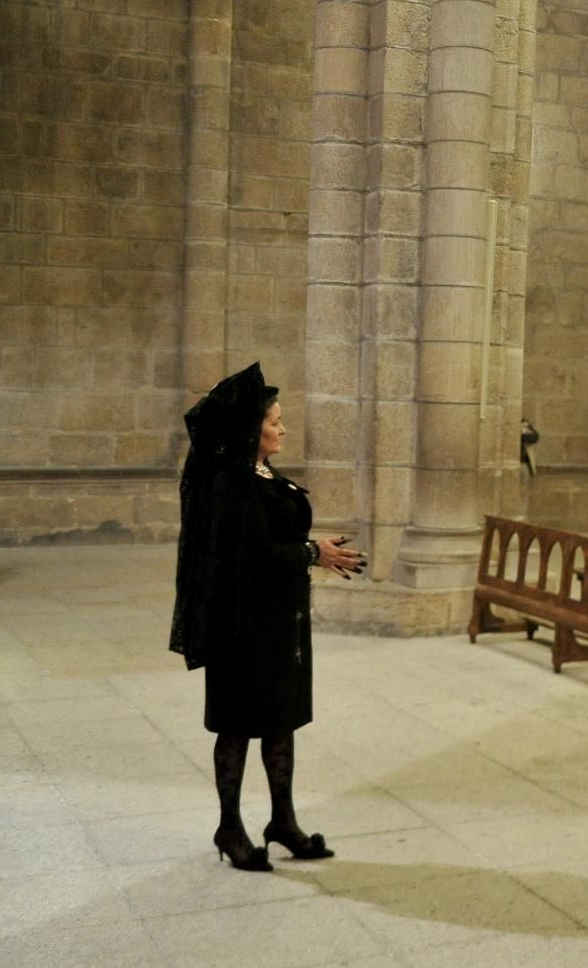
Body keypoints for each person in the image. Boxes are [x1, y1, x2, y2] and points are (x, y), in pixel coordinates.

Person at [170, 363, 367, 872]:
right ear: (248, 428)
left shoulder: (258, 472)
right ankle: (229, 827)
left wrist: (312, 551)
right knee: (237, 725)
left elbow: (273, 539)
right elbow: (252, 557)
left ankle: (283, 821)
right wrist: (313, 553)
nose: (283, 429)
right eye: (274, 421)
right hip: (240, 626)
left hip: (279, 622)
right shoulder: (229, 483)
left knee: (281, 720)